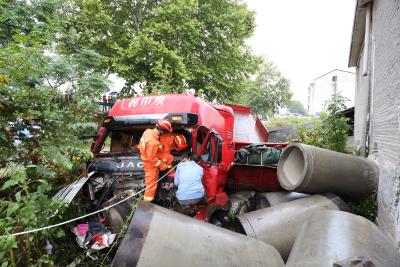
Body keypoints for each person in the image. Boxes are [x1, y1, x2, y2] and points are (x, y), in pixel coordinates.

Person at [139, 118, 173, 202]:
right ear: (162, 131)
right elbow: (152, 159)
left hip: (147, 155)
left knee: (168, 158)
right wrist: (163, 166)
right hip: (150, 165)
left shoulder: (148, 131)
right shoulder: (153, 142)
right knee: (151, 186)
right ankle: (146, 205)